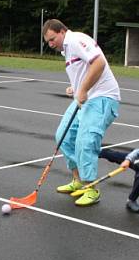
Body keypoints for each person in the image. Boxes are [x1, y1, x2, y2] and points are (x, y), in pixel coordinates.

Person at [42, 19, 121, 206]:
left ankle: (91, 188)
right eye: (48, 42)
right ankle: (78, 181)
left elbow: (99, 63)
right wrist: (76, 87)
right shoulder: (67, 49)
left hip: (103, 98)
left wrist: (83, 89)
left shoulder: (76, 40)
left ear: (62, 31)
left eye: (52, 39)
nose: (51, 44)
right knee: (63, 135)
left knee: (86, 141)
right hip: (85, 98)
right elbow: (85, 70)